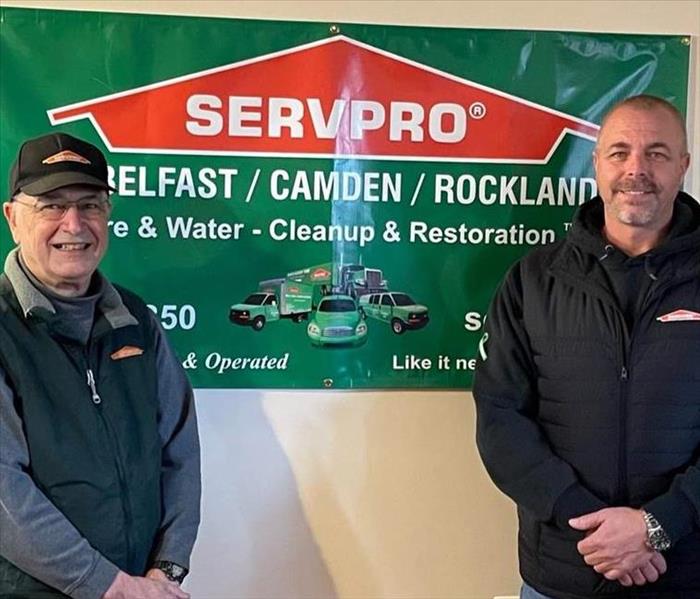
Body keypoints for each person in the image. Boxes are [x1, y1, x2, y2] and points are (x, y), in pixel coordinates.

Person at [473, 94, 699, 598]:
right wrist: (594, 528)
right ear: (596, 163)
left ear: (683, 165)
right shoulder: (533, 280)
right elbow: (500, 420)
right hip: (562, 574)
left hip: (686, 573)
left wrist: (659, 524)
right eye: (619, 152)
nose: (636, 169)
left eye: (657, 153)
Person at [0, 133, 201, 599]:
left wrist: (166, 570)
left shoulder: (137, 323)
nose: (74, 224)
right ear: (12, 218)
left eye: (89, 204)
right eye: (51, 205)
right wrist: (108, 585)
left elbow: (181, 453)